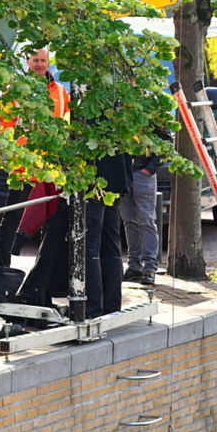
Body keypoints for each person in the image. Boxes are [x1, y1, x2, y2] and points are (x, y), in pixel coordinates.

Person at [0, 47, 70, 265]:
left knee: (53, 220)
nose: (39, 64)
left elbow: (67, 127)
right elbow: (5, 123)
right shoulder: (15, 91)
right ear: (27, 62)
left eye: (43, 60)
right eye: (35, 60)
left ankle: (45, 274)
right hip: (23, 164)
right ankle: (2, 265)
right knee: (13, 217)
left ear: (49, 62)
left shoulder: (60, 92)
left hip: (51, 166)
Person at [120, 128, 172, 286]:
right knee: (129, 220)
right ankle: (135, 266)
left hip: (140, 173)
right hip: (125, 173)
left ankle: (149, 267)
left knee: (146, 220)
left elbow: (166, 141)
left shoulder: (148, 111)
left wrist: (150, 168)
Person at [86, 152, 132, 318]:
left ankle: (91, 308)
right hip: (118, 178)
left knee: (90, 246)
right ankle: (111, 304)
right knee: (111, 245)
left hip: (94, 181)